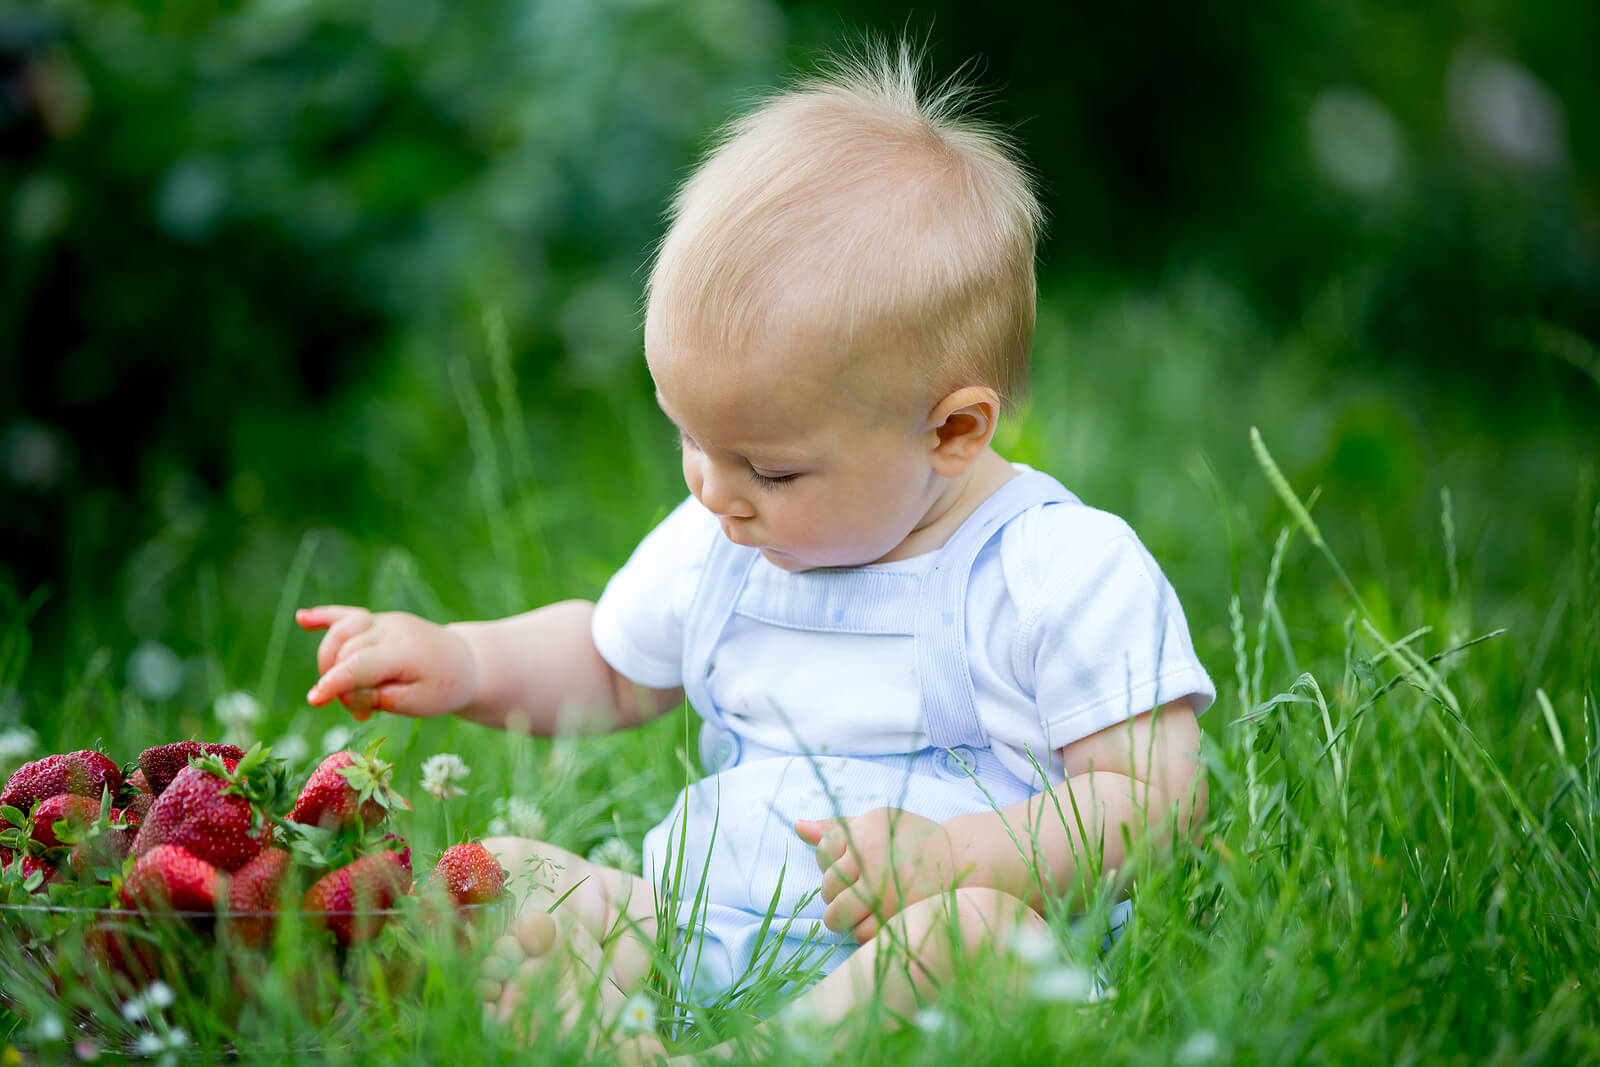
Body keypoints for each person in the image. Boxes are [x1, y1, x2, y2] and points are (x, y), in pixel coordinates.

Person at [296, 43, 1214, 1055]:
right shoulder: (724, 535)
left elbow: (1152, 799)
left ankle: (746, 1052)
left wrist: (959, 854)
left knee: (972, 937)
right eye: (690, 437)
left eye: (769, 468)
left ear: (952, 431)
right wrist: (466, 660)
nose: (712, 490)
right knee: (508, 872)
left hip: (926, 941)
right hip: (701, 926)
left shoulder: (1056, 570)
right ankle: (605, 1022)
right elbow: (610, 665)